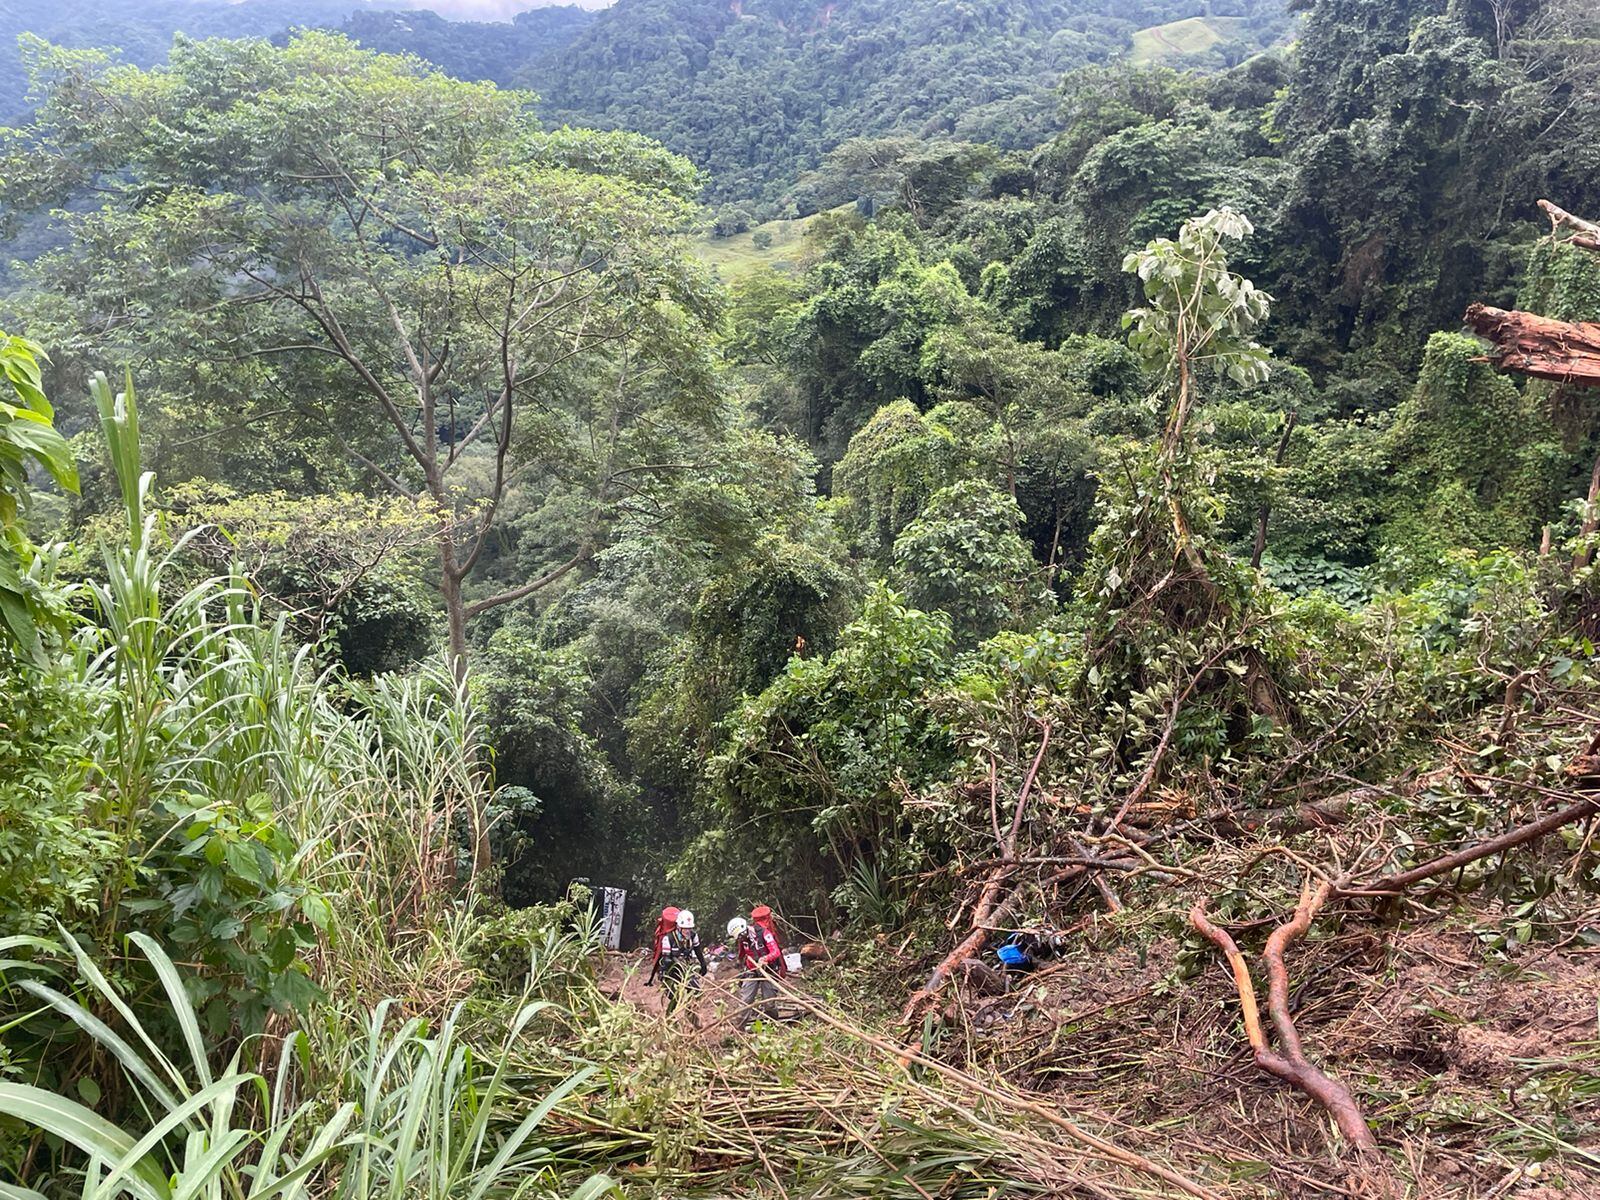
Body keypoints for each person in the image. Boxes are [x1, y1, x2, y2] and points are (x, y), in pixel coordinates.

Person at [728, 915, 782, 1028]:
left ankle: (772, 1024)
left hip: (769, 970)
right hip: (752, 971)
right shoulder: (743, 940)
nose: (741, 939)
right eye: (739, 938)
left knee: (769, 1002)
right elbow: (742, 953)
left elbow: (776, 951)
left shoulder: (763, 933)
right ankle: (739, 1029)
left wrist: (765, 958)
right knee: (745, 1001)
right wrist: (739, 962)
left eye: (741, 936)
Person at [658, 908, 707, 1012]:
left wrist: (703, 964)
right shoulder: (669, 938)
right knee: (674, 997)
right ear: (679, 927)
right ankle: (670, 1016)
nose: (687, 931)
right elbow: (666, 959)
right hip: (673, 971)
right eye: (685, 929)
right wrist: (664, 972)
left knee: (696, 992)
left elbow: (698, 951)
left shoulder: (693, 936)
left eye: (689, 928)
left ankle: (691, 1015)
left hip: (687, 970)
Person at [645, 905, 679, 988]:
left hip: (665, 939)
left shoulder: (665, 929)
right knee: (663, 959)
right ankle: (658, 977)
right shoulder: (671, 933)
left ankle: (654, 978)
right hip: (669, 940)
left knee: (660, 958)